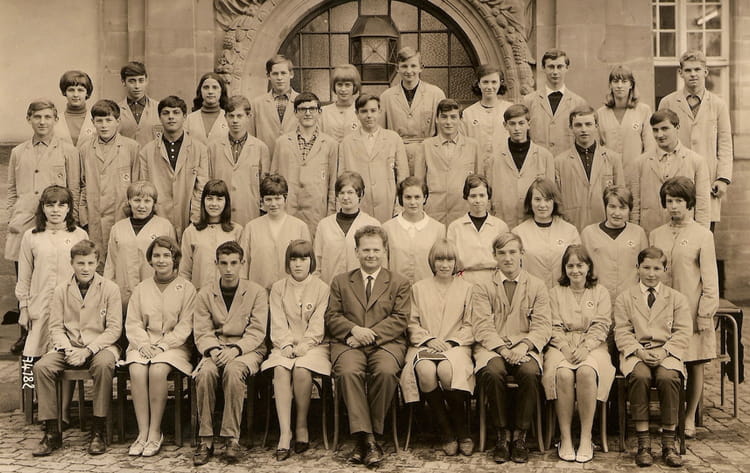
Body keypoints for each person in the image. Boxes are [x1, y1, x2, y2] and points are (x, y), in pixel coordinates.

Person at [325, 225, 410, 468]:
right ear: (356, 252)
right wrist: (354, 330)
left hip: (386, 344)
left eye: (375, 250)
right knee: (348, 372)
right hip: (348, 343)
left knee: (385, 372)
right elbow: (332, 316)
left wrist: (367, 336)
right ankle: (370, 440)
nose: (371, 255)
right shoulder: (341, 281)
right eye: (365, 250)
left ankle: (362, 440)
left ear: (384, 251)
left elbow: (400, 319)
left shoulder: (399, 282)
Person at [32, 240, 121, 457]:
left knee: (104, 365)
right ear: (71, 263)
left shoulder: (110, 289)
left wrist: (88, 350)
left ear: (97, 263)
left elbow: (114, 329)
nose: (85, 268)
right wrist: (68, 349)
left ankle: (98, 429)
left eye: (90, 263)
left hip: (100, 346)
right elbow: (55, 327)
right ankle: (52, 431)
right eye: (80, 263)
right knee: (42, 367)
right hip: (69, 347)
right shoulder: (61, 290)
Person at [6, 100, 81, 353]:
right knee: (25, 276)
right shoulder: (19, 152)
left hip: (56, 220)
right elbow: (12, 190)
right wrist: (12, 218)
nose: (42, 122)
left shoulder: (68, 151)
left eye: (48, 117)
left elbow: (74, 188)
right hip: (24, 223)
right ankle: (26, 332)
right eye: (37, 117)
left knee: (58, 276)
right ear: (29, 119)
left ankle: (61, 331)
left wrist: (72, 221)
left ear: (55, 120)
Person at [471, 232, 552, 464]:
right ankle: (502, 434)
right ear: (494, 256)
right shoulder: (482, 286)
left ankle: (520, 435)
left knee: (529, 372)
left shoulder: (536, 285)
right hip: (493, 347)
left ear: (522, 253)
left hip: (525, 346)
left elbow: (543, 325)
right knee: (493, 372)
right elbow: (481, 325)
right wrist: (503, 350)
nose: (507, 258)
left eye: (512, 252)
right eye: (502, 253)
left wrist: (525, 346)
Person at [648, 176, 719, 438]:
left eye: (679, 201)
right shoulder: (656, 234)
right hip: (663, 311)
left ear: (689, 203)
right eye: (669, 201)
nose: (674, 206)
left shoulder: (703, 235)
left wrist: (704, 314)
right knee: (668, 362)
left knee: (694, 362)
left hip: (691, 309)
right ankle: (670, 416)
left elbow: (710, 280)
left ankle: (689, 418)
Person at [192, 241, 269, 466]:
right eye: (223, 263)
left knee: (234, 371)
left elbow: (257, 331)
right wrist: (214, 349)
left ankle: (231, 439)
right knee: (205, 373)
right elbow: (202, 330)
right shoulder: (205, 294)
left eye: (234, 263)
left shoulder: (256, 292)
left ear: (242, 263)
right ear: (216, 263)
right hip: (216, 348)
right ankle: (206, 439)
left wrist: (236, 350)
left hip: (247, 349)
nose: (228, 269)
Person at [614, 247, 691, 468]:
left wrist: (665, 351)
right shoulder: (625, 297)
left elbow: (683, 332)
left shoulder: (676, 298)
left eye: (657, 268)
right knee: (640, 376)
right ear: (637, 268)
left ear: (665, 270)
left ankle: (668, 443)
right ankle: (643, 443)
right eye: (646, 267)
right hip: (636, 352)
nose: (651, 273)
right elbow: (622, 331)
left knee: (668, 378)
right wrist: (639, 351)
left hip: (667, 352)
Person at [399, 239, 475, 456]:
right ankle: (446, 431)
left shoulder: (467, 288)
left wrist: (451, 342)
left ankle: (462, 428)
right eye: (440, 259)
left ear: (455, 262)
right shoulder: (418, 288)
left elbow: (471, 324)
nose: (444, 264)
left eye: (449, 260)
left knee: (446, 370)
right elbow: (411, 323)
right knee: (425, 370)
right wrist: (429, 339)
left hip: (456, 346)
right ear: (432, 261)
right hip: (424, 344)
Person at [122, 236, 195, 457]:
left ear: (175, 259)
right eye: (156, 256)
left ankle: (155, 432)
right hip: (143, 344)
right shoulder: (141, 288)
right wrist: (143, 344)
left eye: (166, 255)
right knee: (136, 370)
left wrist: (163, 346)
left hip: (174, 347)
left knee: (157, 370)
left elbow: (185, 325)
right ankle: (142, 432)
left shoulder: (187, 288)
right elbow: (133, 322)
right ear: (150, 260)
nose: (161, 260)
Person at [542, 245, 614, 463]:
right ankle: (565, 438)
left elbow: (602, 324)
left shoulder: (600, 292)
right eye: (570, 266)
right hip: (561, 345)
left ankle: (585, 437)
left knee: (586, 372)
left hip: (592, 345)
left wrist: (586, 347)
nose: (575, 270)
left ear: (588, 267)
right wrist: (564, 347)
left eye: (580, 265)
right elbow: (552, 325)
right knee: (563, 374)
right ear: (564, 268)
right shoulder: (555, 293)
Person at [261, 240, 331, 461]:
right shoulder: (278, 288)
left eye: (303, 259)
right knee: (281, 369)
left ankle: (301, 425)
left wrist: (305, 345)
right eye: (293, 259)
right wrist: (286, 344)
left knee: (301, 369)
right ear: (287, 262)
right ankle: (285, 432)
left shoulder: (322, 288)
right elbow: (278, 322)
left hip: (314, 346)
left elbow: (318, 323)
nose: (298, 264)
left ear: (311, 261)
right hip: (284, 345)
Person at [658, 50, 733, 226]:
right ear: (680, 73)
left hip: (707, 178)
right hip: (676, 177)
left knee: (704, 229)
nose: (693, 74)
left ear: (705, 72)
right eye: (688, 70)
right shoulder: (668, 102)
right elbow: (660, 141)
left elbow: (725, 144)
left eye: (697, 70)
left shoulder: (718, 105)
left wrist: (723, 178)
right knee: (674, 228)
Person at [16, 186, 89, 358]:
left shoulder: (79, 235)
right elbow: (24, 275)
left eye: (61, 205)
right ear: (43, 208)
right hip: (40, 304)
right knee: (34, 355)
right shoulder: (31, 236)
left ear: (69, 208)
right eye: (50, 205)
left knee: (65, 357)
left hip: (70, 307)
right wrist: (24, 308)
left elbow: (87, 274)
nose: (55, 210)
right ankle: (32, 377)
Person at [138, 95, 209, 238]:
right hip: (157, 218)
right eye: (166, 113)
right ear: (159, 117)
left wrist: (195, 219)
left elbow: (202, 187)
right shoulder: (147, 151)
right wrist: (154, 218)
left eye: (176, 112)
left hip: (189, 218)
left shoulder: (199, 149)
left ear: (185, 117)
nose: (171, 117)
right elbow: (145, 188)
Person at [78, 99, 140, 260]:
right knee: (96, 260)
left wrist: (133, 213)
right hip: (94, 216)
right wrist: (83, 216)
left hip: (121, 214)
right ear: (93, 122)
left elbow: (137, 185)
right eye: (99, 121)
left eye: (108, 120)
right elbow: (82, 184)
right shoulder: (85, 149)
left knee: (122, 259)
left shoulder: (131, 147)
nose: (104, 125)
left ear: (118, 121)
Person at [631, 109, 710, 233]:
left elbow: (703, 206)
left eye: (665, 128)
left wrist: (700, 236)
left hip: (685, 234)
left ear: (677, 127)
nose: (659, 135)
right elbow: (635, 205)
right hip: (650, 233)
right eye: (655, 130)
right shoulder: (640, 163)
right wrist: (635, 235)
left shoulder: (696, 161)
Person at [271, 92, 337, 236]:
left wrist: (331, 213)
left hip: (316, 212)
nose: (307, 113)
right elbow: (273, 179)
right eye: (302, 109)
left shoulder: (330, 144)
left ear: (319, 112)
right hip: (288, 209)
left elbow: (333, 183)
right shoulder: (282, 142)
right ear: (295, 113)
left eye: (312, 109)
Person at [104, 181, 177, 309]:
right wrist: (108, 294)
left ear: (154, 203)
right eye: (137, 200)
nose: (141, 206)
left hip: (156, 295)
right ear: (129, 201)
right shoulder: (118, 228)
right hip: (124, 295)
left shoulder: (164, 227)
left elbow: (174, 263)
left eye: (147, 201)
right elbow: (111, 265)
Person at [338, 94, 408, 223]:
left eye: (373, 110)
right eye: (364, 111)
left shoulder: (393, 139)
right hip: (359, 207)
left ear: (380, 112)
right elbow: (341, 178)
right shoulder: (347, 142)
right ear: (357, 114)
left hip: (387, 206)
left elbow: (403, 177)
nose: (369, 115)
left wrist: (399, 207)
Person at [554, 106, 624, 231]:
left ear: (596, 126)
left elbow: (621, 197)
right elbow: (557, 202)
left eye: (588, 124)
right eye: (578, 125)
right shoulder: (559, 162)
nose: (584, 129)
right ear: (571, 128)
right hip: (573, 227)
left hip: (605, 227)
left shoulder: (613, 159)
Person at [485, 104, 555, 229]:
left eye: (521, 123)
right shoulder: (494, 159)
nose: (517, 128)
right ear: (505, 125)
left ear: (529, 124)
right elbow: (488, 197)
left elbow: (550, 195)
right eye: (512, 124)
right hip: (503, 222)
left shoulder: (545, 156)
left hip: (534, 224)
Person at [380, 46, 446, 175]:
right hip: (396, 154)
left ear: (421, 67)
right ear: (397, 68)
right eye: (404, 66)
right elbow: (381, 134)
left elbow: (443, 131)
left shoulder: (436, 94)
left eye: (413, 66)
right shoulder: (386, 97)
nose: (409, 71)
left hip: (428, 153)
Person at [414, 99, 481, 226]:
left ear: (460, 119)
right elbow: (419, 184)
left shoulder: (473, 146)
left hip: (463, 211)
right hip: (433, 211)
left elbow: (480, 183)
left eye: (453, 117)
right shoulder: (425, 146)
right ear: (437, 119)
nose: (448, 122)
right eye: (444, 117)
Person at [206, 95, 270, 227]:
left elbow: (265, 187)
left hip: (250, 214)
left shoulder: (260, 148)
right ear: (225, 117)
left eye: (239, 116)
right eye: (231, 116)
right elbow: (208, 181)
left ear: (248, 116)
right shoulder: (213, 147)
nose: (235, 120)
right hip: (221, 214)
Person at [240, 174, 311, 290]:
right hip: (258, 292)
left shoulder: (300, 227)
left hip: (291, 292)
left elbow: (308, 265)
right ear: (262, 201)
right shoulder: (251, 228)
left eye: (277, 198)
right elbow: (243, 266)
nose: (273, 204)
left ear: (285, 199)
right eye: (268, 199)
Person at [580, 186, 648, 305]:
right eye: (612, 206)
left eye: (622, 208)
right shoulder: (589, 233)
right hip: (597, 299)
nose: (617, 213)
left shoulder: (638, 233)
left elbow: (645, 268)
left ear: (629, 209)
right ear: (605, 207)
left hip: (630, 300)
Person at [512, 178, 581, 288]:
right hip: (531, 292)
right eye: (537, 199)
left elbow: (579, 265)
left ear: (554, 202)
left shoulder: (570, 231)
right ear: (530, 202)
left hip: (564, 292)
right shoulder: (518, 233)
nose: (542, 205)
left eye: (547, 200)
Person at [313, 172, 379, 284]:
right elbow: (317, 262)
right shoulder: (324, 225)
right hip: (330, 288)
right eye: (341, 193)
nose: (345, 197)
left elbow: (379, 263)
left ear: (360, 194)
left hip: (361, 290)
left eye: (350, 192)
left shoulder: (372, 224)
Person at [596, 65, 656, 186]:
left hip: (636, 175)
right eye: (615, 81)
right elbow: (598, 147)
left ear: (631, 85)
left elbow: (649, 147)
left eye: (624, 81)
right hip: (609, 176)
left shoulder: (643, 111)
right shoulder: (600, 113)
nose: (619, 86)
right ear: (610, 85)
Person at [179, 179, 243, 291]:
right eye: (209, 198)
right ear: (203, 201)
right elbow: (184, 271)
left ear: (226, 202)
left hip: (229, 294)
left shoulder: (237, 231)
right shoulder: (191, 232)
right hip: (199, 294)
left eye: (219, 199)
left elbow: (242, 269)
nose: (214, 204)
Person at [522, 49, 587, 155]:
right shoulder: (529, 101)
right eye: (551, 67)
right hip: (538, 161)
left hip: (568, 162)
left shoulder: (579, 103)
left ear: (567, 68)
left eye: (559, 67)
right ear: (543, 68)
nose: (555, 72)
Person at [447, 174, 509, 286]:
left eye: (482, 195)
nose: (478, 200)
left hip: (494, 280)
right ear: (466, 197)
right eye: (473, 196)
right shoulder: (455, 227)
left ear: (488, 197)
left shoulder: (500, 226)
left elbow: (506, 258)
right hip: (464, 281)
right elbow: (450, 259)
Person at [383, 177, 445, 284]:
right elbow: (384, 266)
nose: (413, 202)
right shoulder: (387, 228)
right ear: (401, 199)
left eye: (417, 197)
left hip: (428, 289)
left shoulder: (438, 229)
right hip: (396, 289)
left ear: (424, 198)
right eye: (408, 197)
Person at [249, 54, 299, 156]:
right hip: (266, 160)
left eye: (283, 73)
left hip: (294, 160)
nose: (279, 78)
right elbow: (251, 137)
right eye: (275, 74)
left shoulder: (302, 102)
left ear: (291, 74)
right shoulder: (257, 104)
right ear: (268, 76)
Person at [462, 64, 512, 160]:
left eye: (494, 82)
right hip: (476, 164)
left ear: (500, 83)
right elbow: (463, 144)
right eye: (485, 82)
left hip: (504, 164)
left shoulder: (509, 109)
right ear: (479, 84)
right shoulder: (468, 113)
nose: (489, 87)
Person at [118, 61, 162, 147]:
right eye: (132, 81)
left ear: (146, 81)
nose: (137, 86)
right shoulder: (115, 110)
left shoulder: (159, 108)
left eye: (141, 80)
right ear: (123, 82)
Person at [184, 72, 229, 146]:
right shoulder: (189, 119)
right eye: (206, 87)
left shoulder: (229, 118)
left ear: (221, 91)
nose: (210, 91)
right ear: (200, 91)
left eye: (215, 87)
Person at [55, 70, 96, 146]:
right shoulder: (55, 121)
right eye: (71, 90)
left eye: (80, 90)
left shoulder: (96, 120)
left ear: (87, 93)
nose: (75, 95)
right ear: (64, 92)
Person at [320, 64, 361, 142]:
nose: (343, 89)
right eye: (339, 85)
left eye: (347, 85)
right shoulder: (323, 112)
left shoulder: (362, 111)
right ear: (334, 86)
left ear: (354, 86)